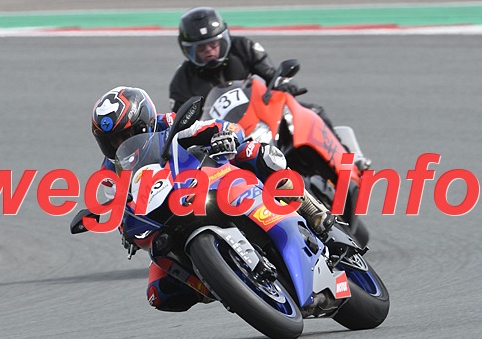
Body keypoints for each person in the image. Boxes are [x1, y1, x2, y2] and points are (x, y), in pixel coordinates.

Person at [91, 85, 331, 313]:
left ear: (145, 122)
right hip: (167, 214)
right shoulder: (110, 173)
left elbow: (220, 126)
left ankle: (311, 210)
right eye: (111, 141)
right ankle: (222, 284)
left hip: (206, 180)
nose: (120, 144)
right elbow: (120, 210)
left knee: (255, 154)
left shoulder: (170, 124)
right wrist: (126, 229)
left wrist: (227, 136)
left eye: (126, 135)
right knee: (159, 292)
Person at [169, 5, 336, 129]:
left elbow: (271, 75)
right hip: (217, 137)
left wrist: (283, 83)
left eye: (213, 44)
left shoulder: (243, 47)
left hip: (259, 117)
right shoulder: (181, 81)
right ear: (188, 50)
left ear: (223, 39)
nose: (209, 51)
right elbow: (179, 124)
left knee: (315, 112)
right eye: (201, 48)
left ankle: (348, 160)